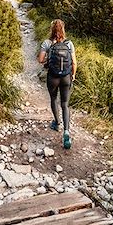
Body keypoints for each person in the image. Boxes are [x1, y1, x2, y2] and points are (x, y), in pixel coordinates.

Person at [38, 19, 76, 149]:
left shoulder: (47, 43)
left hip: (53, 77)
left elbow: (40, 60)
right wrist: (73, 75)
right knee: (65, 104)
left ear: (51, 29)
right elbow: (74, 62)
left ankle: (56, 122)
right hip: (66, 77)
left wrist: (49, 61)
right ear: (63, 30)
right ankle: (66, 131)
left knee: (54, 99)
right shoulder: (69, 43)